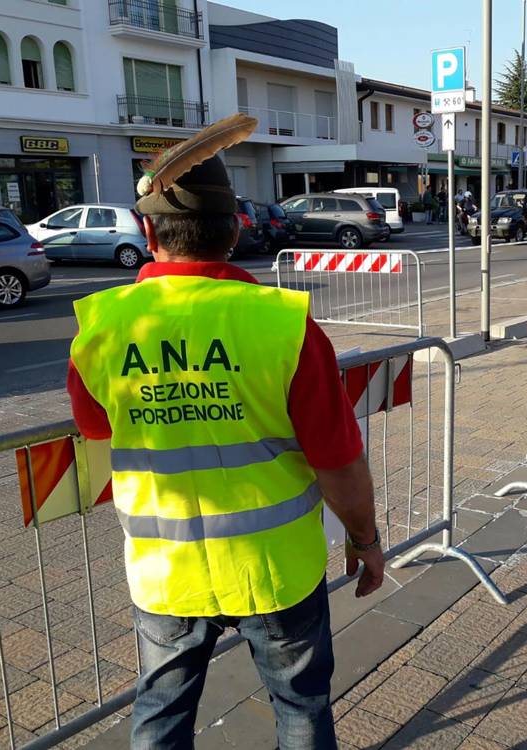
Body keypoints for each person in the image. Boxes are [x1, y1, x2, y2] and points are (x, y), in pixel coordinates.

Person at [66, 115, 384, 749]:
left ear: (148, 230)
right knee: (300, 709)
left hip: (166, 572)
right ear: (237, 227)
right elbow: (339, 461)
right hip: (275, 571)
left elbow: (96, 432)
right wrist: (365, 538)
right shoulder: (285, 326)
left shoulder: (99, 329)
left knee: (160, 715)